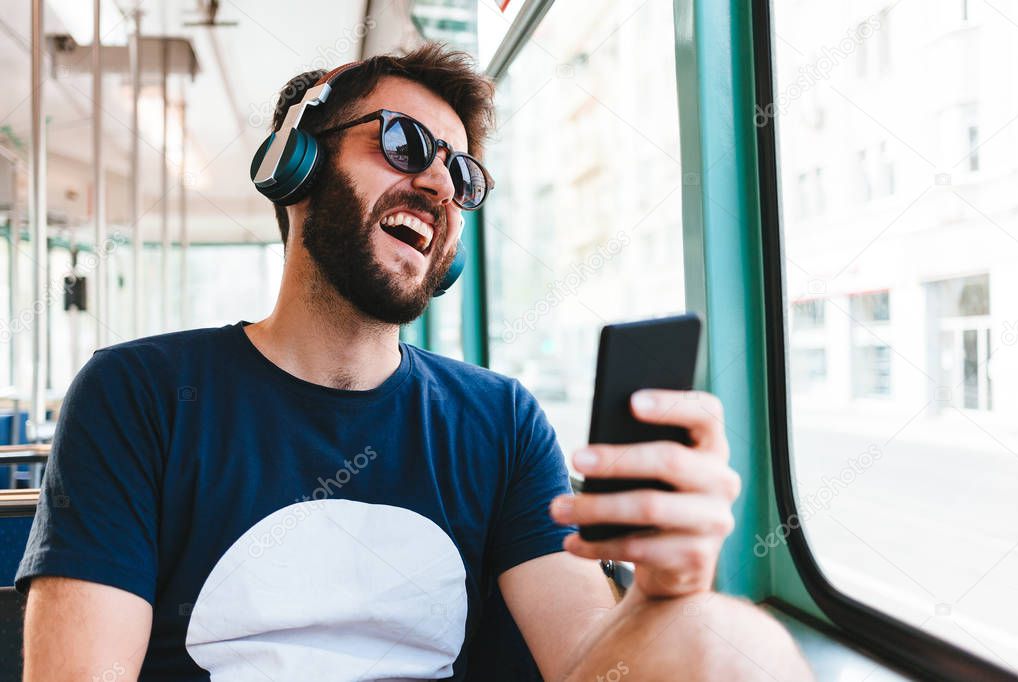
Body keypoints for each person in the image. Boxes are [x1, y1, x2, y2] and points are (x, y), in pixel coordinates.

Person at [16, 44, 812, 681]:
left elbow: (588, 667)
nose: (437, 182)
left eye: (462, 175)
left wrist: (668, 598)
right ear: (294, 167)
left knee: (726, 640)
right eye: (403, 143)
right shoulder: (138, 396)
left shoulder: (499, 421)